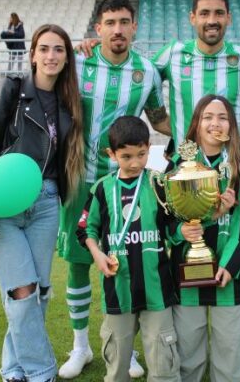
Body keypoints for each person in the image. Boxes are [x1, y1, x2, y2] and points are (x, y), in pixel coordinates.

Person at [0, 0, 170, 379]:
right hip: (76, 182)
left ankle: (125, 348)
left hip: (123, 185)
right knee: (79, 267)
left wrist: (198, 134)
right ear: (97, 29)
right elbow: (37, 85)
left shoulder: (148, 72)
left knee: (128, 264)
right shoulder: (77, 62)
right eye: (110, 22)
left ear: (134, 27)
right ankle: (80, 346)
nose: (117, 29)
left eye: (124, 22)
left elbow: (158, 117)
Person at [0, 24, 85, 382]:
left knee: (38, 293)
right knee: (22, 291)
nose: (51, 56)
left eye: (59, 50)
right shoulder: (10, 90)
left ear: (67, 58)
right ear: (32, 53)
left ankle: (13, 370)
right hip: (2, 203)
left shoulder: (70, 102)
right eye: (45, 49)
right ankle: (40, 372)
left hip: (47, 202)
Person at [78, 0, 240, 143]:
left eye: (218, 13)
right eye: (204, 14)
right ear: (193, 18)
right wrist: (97, 46)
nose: (211, 21)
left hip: (231, 165)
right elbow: (134, 72)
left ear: (228, 18)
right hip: (185, 167)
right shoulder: (171, 55)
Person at [77, 116, 180, 382]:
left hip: (156, 290)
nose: (135, 163)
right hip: (118, 290)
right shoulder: (102, 188)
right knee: (117, 365)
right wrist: (97, 255)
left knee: (163, 364)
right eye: (126, 156)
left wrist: (184, 231)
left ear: (149, 147)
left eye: (142, 154)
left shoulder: (159, 184)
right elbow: (86, 229)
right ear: (112, 154)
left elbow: (171, 228)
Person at [168, 95, 240, 382]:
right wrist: (179, 232)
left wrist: (229, 267)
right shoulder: (179, 166)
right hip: (187, 275)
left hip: (228, 278)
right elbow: (167, 221)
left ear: (231, 125)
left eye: (222, 117)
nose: (214, 123)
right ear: (196, 124)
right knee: (187, 359)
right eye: (207, 116)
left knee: (231, 359)